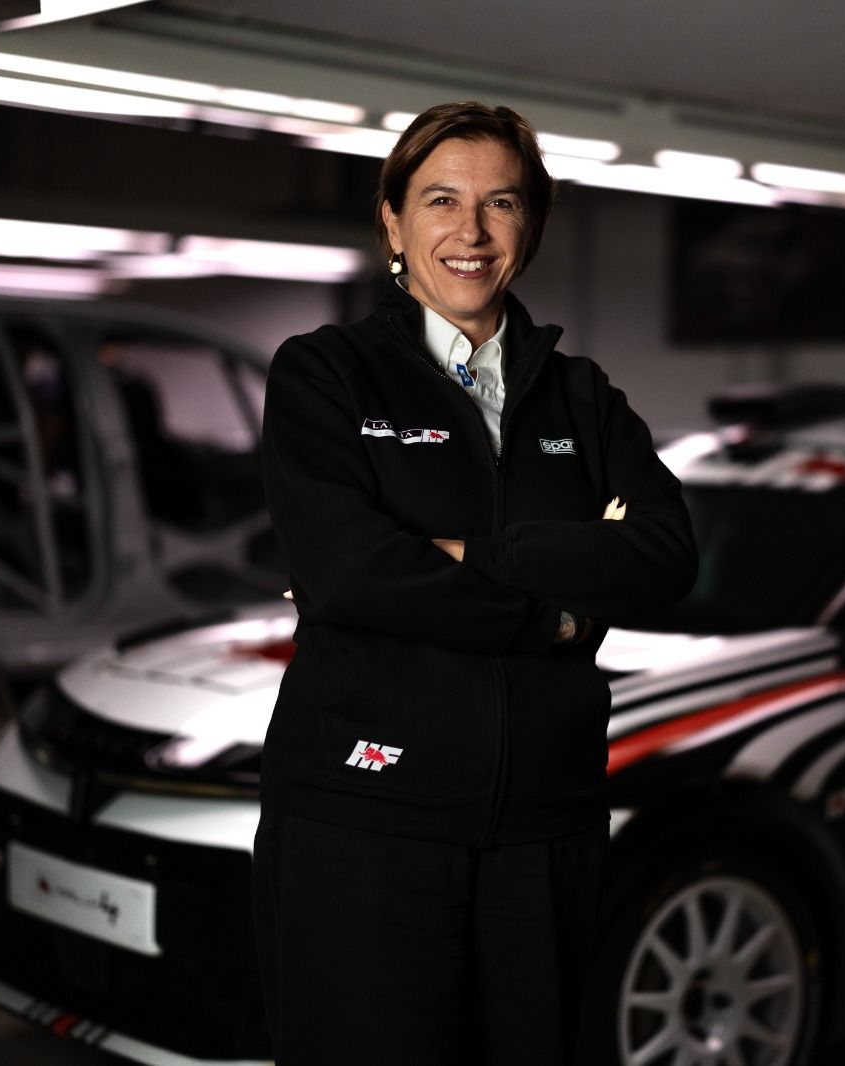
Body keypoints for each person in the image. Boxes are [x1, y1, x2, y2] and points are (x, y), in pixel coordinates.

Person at [252, 101, 698, 1066]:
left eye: (501, 202)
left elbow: (665, 557)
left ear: (529, 226)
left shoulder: (583, 398)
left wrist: (465, 553)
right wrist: (559, 613)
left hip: (547, 827)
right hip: (364, 821)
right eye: (441, 200)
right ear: (393, 221)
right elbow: (352, 571)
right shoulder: (325, 377)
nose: (472, 230)